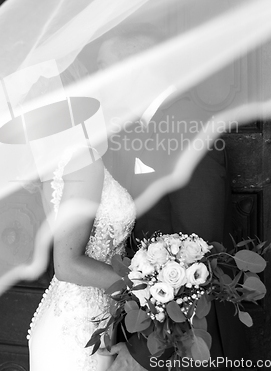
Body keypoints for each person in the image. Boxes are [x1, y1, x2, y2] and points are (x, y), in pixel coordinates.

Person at [97, 28, 238, 370]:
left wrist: (143, 353)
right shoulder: (143, 127)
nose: (101, 84)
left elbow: (199, 257)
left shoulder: (189, 127)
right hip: (153, 327)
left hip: (185, 342)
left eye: (107, 72)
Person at [27, 63, 136, 371]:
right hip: (76, 332)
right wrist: (144, 288)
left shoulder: (60, 160)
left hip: (89, 319)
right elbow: (67, 264)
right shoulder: (82, 160)